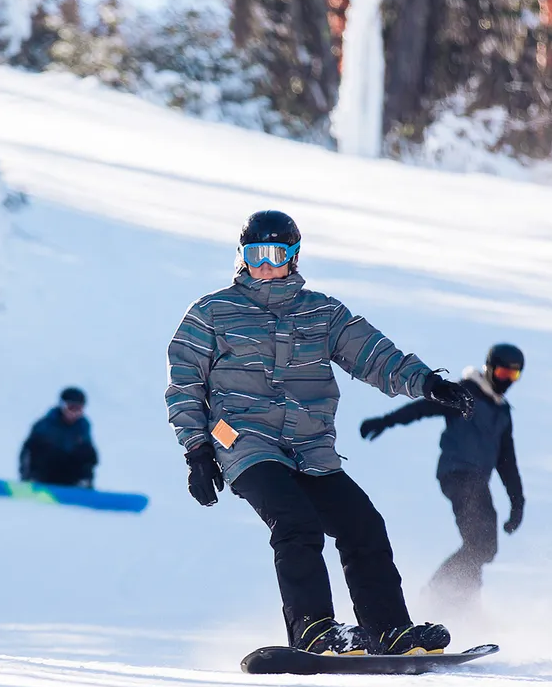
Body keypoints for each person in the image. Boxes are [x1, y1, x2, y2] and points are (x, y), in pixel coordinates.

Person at [166, 210, 477, 656]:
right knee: (295, 522)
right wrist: (196, 451)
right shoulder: (212, 312)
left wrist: (428, 383)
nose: (264, 266)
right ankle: (313, 630)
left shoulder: (322, 312)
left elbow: (374, 355)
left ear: (293, 257)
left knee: (363, 525)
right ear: (241, 258)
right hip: (243, 442)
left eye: (274, 255)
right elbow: (184, 384)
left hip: (310, 448)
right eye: (254, 256)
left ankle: (389, 630)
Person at [359, 344, 526, 606]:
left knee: (480, 546)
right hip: (458, 474)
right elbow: (421, 409)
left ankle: (464, 600)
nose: (507, 381)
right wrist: (385, 421)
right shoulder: (465, 394)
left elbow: (507, 462)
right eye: (504, 373)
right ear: (490, 368)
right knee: (481, 544)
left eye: (513, 376)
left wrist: (518, 502)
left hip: (477, 480)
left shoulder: (502, 412)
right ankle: (438, 591)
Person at [19, 387, 99, 487]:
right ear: (62, 406)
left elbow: (89, 458)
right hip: (46, 473)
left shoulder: (82, 426)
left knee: (86, 450)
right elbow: (27, 452)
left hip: (68, 475)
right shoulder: (45, 425)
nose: (74, 414)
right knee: (41, 444)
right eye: (71, 408)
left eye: (78, 409)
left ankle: (82, 484)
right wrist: (25, 476)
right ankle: (34, 479)